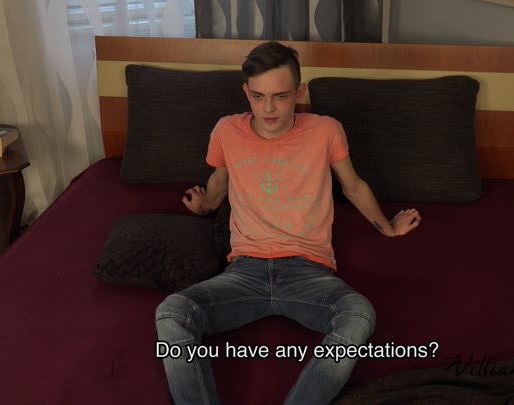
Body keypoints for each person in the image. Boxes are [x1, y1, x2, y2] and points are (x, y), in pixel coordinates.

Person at [155, 41, 422, 404]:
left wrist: (388, 227)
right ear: (246, 92)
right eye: (258, 96)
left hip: (308, 271)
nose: (268, 108)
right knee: (172, 312)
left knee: (358, 314)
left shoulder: (326, 130)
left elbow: (353, 186)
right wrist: (204, 206)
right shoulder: (226, 131)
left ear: (299, 92)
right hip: (244, 272)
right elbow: (219, 183)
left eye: (280, 96)